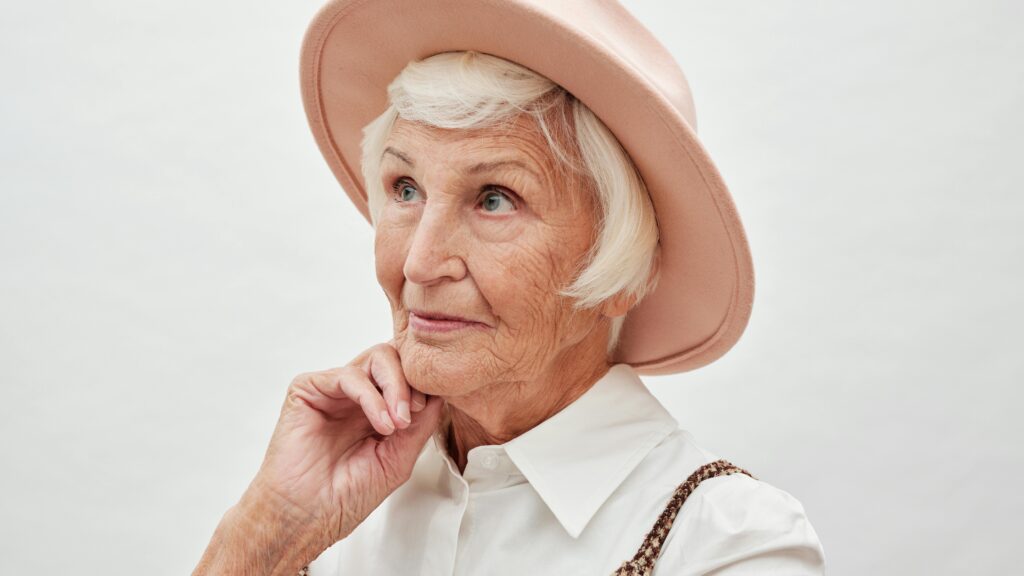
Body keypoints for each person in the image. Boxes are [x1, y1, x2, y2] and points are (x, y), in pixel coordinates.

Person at [192, 1, 826, 574]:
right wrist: (269, 531)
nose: (419, 263)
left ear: (621, 272)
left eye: (495, 199)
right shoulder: (337, 512)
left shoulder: (729, 545)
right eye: (406, 189)